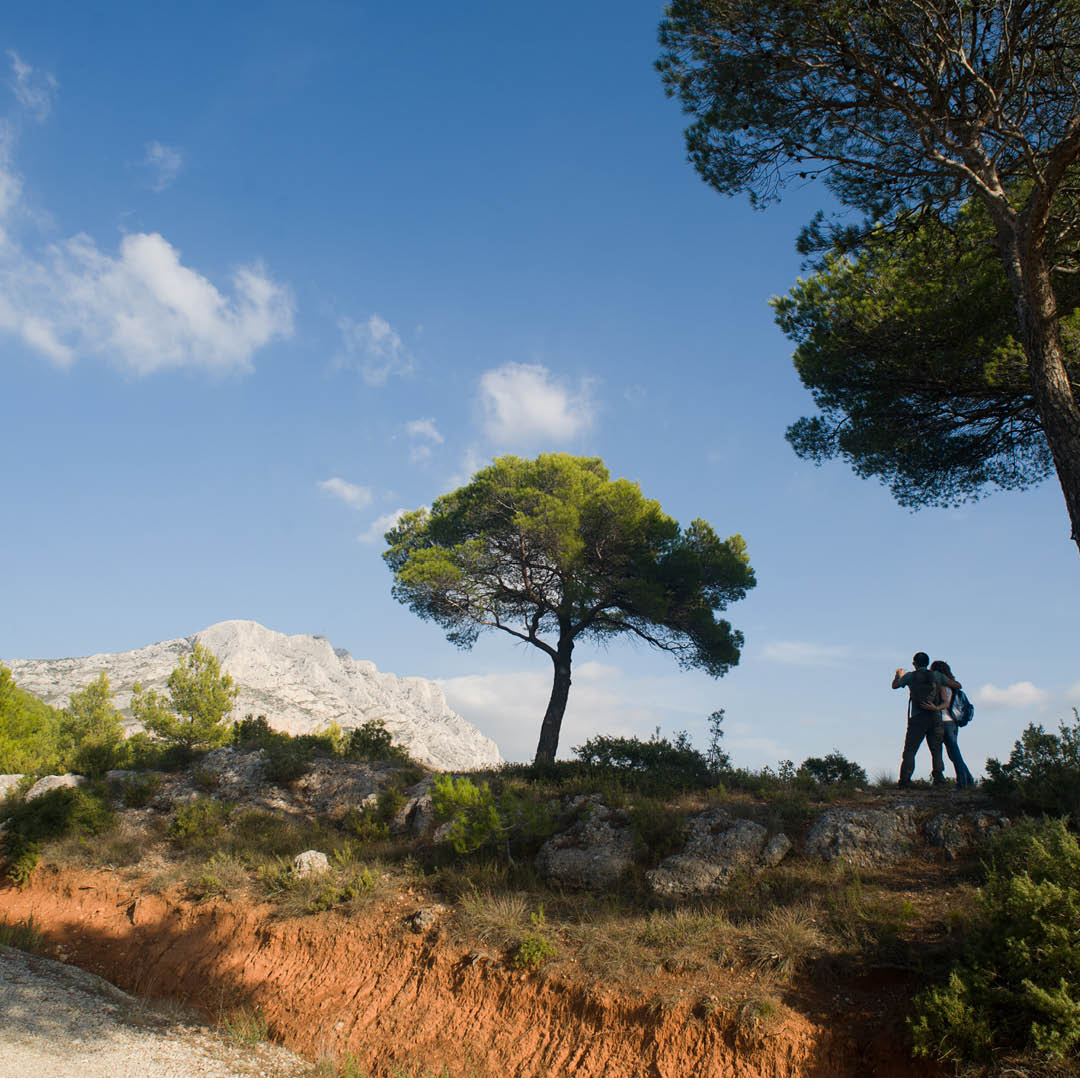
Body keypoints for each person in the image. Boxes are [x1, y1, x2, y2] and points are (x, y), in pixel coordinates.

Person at [891, 652, 961, 787]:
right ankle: (939, 779)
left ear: (914, 664)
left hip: (917, 717)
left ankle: (905, 780)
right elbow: (957, 685)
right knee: (936, 750)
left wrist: (898, 675)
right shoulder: (936, 675)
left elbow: (894, 686)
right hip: (935, 717)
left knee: (910, 750)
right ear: (928, 663)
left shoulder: (910, 676)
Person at [924, 660, 976, 788]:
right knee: (954, 753)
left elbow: (945, 704)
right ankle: (968, 779)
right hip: (953, 723)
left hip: (944, 722)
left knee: (953, 752)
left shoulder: (942, 686)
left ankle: (962, 783)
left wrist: (934, 708)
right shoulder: (952, 686)